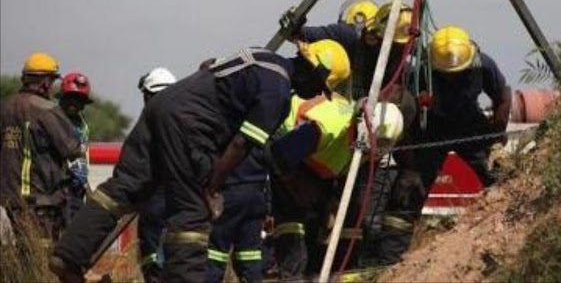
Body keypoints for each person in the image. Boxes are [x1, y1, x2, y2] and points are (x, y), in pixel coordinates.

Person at [50, 40, 350, 283]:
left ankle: (68, 255)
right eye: (320, 87)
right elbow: (241, 143)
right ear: (311, 73)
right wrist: (211, 187)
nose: (316, 96)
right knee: (192, 212)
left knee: (124, 187)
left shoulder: (262, 56)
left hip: (163, 106)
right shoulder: (279, 93)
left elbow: (209, 67)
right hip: (191, 125)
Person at [375, 25, 513, 265]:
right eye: (447, 74)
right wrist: (408, 160)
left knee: (493, 178)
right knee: (407, 190)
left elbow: (502, 96)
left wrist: (496, 136)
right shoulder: (419, 72)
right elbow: (406, 119)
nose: (453, 77)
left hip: (469, 125)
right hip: (430, 129)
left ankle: (505, 241)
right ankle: (388, 261)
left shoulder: (483, 64)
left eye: (458, 73)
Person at [269, 92, 403, 280]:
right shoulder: (328, 128)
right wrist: (295, 184)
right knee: (293, 219)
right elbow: (278, 155)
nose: (377, 150)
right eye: (377, 143)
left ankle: (311, 271)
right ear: (365, 128)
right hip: (282, 142)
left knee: (317, 216)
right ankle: (290, 273)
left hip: (312, 161)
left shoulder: (365, 144)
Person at [0, 53, 83, 246]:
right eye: (52, 81)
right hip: (41, 199)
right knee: (43, 250)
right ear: (45, 83)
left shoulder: (5, 107)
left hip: (10, 197)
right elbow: (72, 149)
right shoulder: (45, 109)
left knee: (24, 248)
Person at [135, 67, 176, 283]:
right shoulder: (185, 121)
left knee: (152, 251)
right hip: (181, 199)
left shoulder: (147, 124)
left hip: (154, 198)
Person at [58, 72, 94, 226]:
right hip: (60, 185)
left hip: (79, 186)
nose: (75, 103)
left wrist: (87, 184)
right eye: (71, 98)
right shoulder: (54, 118)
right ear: (63, 97)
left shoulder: (82, 123)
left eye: (79, 100)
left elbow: (83, 156)